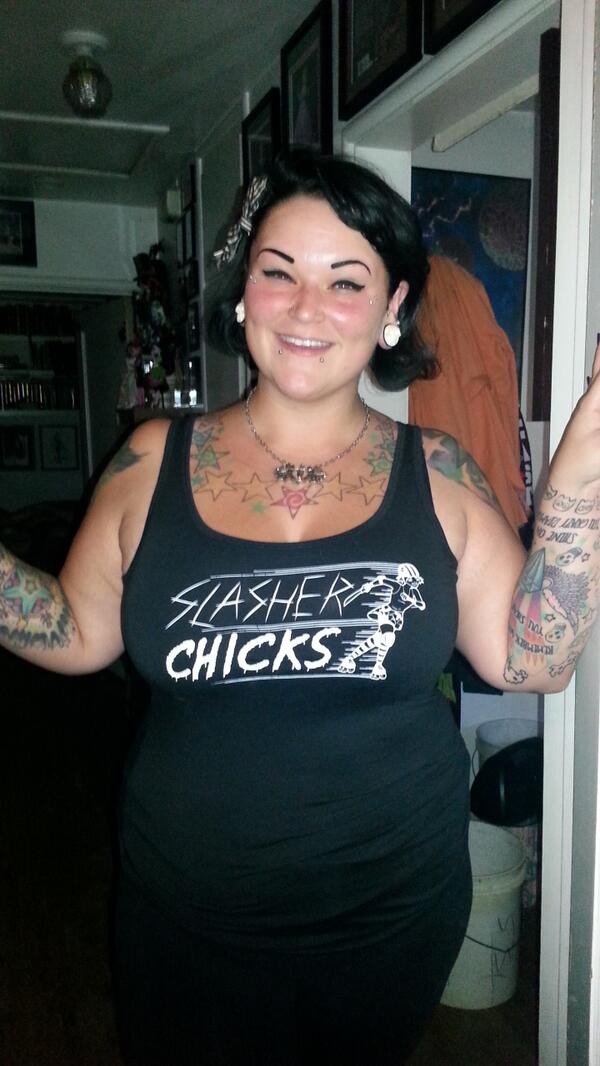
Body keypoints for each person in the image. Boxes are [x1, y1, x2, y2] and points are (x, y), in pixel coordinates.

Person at [1, 149, 599, 1066]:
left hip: (389, 917)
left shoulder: (438, 472)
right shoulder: (152, 460)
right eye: (278, 273)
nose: (306, 308)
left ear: (394, 308)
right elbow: (78, 631)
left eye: (346, 281)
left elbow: (535, 660)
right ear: (245, 294)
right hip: (184, 918)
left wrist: (584, 459)